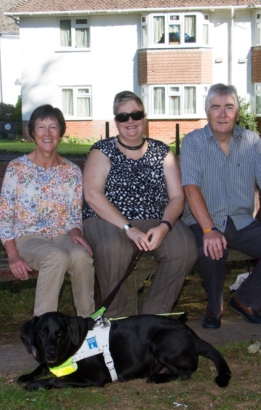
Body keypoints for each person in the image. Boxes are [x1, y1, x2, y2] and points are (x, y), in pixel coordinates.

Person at [180, 83, 261, 329]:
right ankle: (214, 308)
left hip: (243, 222)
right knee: (211, 249)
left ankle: (245, 300)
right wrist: (209, 230)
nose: (222, 114)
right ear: (207, 111)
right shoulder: (193, 142)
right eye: (216, 107)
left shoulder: (251, 141)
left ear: (237, 112)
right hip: (203, 220)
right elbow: (190, 189)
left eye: (229, 107)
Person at [82, 90, 197, 318]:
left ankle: (153, 318)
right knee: (114, 249)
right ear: (116, 121)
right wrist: (128, 228)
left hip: (156, 217)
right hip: (109, 219)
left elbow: (177, 197)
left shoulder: (162, 152)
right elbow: (93, 195)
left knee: (184, 249)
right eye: (123, 117)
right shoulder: (102, 150)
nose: (130, 121)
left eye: (135, 114)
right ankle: (114, 319)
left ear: (144, 117)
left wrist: (165, 226)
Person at [0, 104, 95, 318]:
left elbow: (73, 216)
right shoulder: (17, 169)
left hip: (60, 235)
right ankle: (43, 331)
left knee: (80, 255)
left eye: (53, 127)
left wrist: (76, 232)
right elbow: (3, 217)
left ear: (61, 133)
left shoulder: (72, 171)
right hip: (27, 238)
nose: (47, 134)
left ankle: (88, 326)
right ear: (32, 132)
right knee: (56, 257)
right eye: (41, 127)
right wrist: (12, 255)